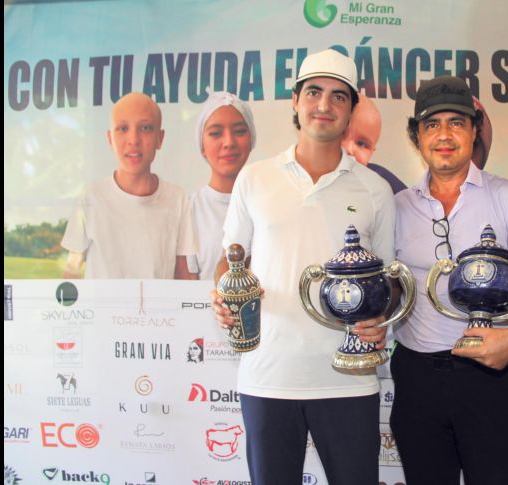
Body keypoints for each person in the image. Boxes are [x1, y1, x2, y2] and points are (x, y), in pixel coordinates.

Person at [210, 49, 394, 485]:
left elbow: (387, 279)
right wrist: (223, 292)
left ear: (352, 109)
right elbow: (230, 258)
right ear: (295, 101)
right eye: (314, 92)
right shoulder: (255, 178)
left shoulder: (376, 189)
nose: (324, 105)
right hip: (268, 377)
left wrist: (382, 317)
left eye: (338, 96)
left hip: (349, 379)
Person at [390, 75, 508, 485]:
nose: (445, 135)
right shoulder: (394, 207)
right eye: (432, 124)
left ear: (474, 130)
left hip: (491, 378)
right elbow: (390, 286)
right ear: (417, 136)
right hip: (417, 379)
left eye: (457, 122)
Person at [61, 92, 197, 279]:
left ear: (160, 138)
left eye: (146, 128)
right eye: (123, 128)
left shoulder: (177, 199)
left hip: (159, 309)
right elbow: (72, 271)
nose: (133, 140)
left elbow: (184, 273)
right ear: (110, 139)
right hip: (103, 308)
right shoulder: (90, 197)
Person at [187, 90, 257, 280]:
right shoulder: (188, 210)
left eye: (240, 131)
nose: (229, 142)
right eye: (216, 133)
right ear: (202, 144)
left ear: (251, 139)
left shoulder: (268, 203)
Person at [341, 94, 407, 194]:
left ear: (372, 151)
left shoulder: (383, 182)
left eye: (362, 144)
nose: (349, 149)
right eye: (341, 134)